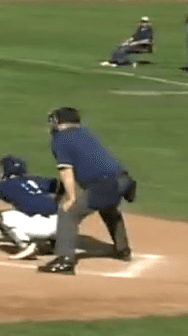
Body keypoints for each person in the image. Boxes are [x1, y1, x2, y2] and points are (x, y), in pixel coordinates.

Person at [39, 108, 135, 275]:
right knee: (108, 207)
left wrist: (70, 198)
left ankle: (64, 261)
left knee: (68, 212)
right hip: (123, 180)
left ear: (57, 123)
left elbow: (65, 170)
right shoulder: (85, 133)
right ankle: (122, 249)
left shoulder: (60, 138)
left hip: (105, 184)